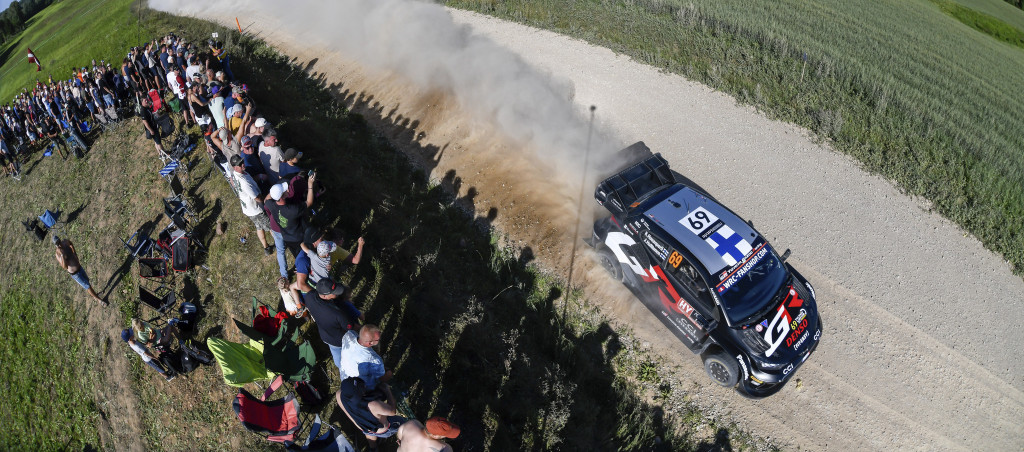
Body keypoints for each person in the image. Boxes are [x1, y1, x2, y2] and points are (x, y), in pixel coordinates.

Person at [293, 278, 358, 372]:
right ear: (324, 296)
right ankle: (349, 370)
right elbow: (351, 328)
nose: (337, 293)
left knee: (336, 357)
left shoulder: (309, 296)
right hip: (339, 340)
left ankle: (340, 367)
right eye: (334, 292)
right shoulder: (337, 314)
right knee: (346, 355)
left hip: (325, 336)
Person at [337, 377, 403, 450]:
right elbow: (393, 411)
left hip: (364, 428)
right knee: (406, 422)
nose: (364, 386)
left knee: (370, 434)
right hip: (384, 429)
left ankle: (373, 448)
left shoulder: (339, 395)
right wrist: (387, 390)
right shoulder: (372, 405)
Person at [227, 154, 273, 255]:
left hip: (248, 209)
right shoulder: (244, 182)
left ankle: (266, 248)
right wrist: (266, 201)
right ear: (234, 167)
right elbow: (257, 197)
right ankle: (280, 243)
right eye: (240, 164)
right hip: (256, 210)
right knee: (271, 226)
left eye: (242, 162)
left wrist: (259, 177)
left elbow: (250, 180)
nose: (243, 164)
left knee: (259, 227)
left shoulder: (236, 174)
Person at [265, 176, 316, 258]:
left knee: (298, 256)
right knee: (307, 255)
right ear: (282, 197)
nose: (288, 190)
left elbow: (266, 200)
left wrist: (273, 192)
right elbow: (309, 202)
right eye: (285, 190)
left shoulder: (271, 205)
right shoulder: (293, 210)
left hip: (287, 238)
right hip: (299, 238)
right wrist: (310, 185)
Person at [53, 235, 107, 305]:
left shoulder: (65, 242)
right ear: (55, 245)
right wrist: (62, 255)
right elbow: (64, 267)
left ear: (60, 239)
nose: (59, 245)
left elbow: (71, 243)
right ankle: (99, 300)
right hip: (75, 274)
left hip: (79, 267)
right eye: (57, 244)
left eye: (59, 242)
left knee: (87, 281)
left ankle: (95, 296)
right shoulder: (58, 253)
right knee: (87, 286)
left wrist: (74, 253)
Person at [340, 324, 391, 392]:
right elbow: (380, 376)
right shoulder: (374, 359)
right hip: (361, 387)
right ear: (370, 343)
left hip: (345, 378)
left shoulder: (349, 335)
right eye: (378, 339)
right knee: (388, 373)